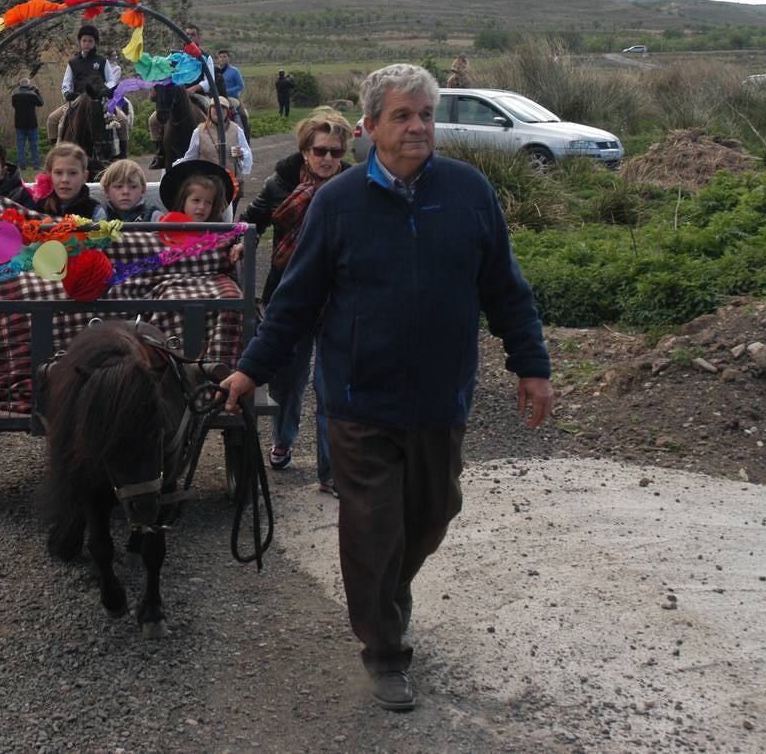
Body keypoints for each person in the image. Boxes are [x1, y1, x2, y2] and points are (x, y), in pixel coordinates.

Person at [220, 63, 554, 712]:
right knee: (372, 528)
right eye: (402, 115)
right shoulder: (337, 204)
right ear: (369, 127)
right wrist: (251, 368)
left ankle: (386, 594)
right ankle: (383, 649)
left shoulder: (467, 192)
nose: (417, 127)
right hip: (359, 401)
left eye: (425, 115)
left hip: (440, 399)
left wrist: (531, 365)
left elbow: (504, 289)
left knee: (431, 516)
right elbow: (295, 301)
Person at [238, 109, 352, 495]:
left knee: (331, 385)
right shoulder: (279, 184)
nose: (328, 160)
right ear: (305, 151)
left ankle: (331, 471)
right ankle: (283, 439)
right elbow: (251, 221)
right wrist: (240, 243)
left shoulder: (355, 187)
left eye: (336, 152)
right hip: (290, 297)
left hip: (340, 299)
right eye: (321, 150)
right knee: (288, 381)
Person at [173, 97, 253, 213]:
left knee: (229, 217)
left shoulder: (237, 130)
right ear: (210, 111)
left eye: (222, 108)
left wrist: (242, 153)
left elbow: (247, 152)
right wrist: (177, 167)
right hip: (207, 183)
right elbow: (191, 157)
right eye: (214, 108)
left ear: (227, 112)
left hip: (231, 183)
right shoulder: (199, 131)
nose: (218, 111)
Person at [35, 142, 105, 219]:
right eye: (58, 173)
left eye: (73, 173)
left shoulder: (95, 212)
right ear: (49, 175)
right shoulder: (38, 208)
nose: (65, 180)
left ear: (84, 177)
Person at [157, 158, 232, 223]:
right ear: (183, 202)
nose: (202, 207)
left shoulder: (218, 233)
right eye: (196, 200)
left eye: (208, 202)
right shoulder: (168, 229)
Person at [10, 78, 44, 170]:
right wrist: (37, 92)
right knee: (34, 145)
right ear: (28, 85)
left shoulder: (15, 96)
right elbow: (41, 103)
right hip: (32, 124)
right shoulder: (32, 95)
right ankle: (36, 166)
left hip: (19, 124)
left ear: (20, 85)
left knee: (20, 146)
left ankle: (22, 166)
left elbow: (14, 105)